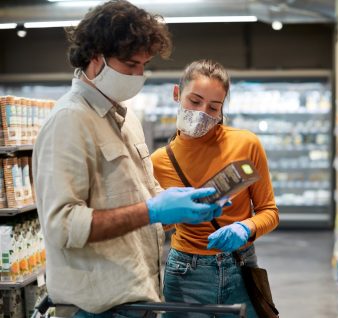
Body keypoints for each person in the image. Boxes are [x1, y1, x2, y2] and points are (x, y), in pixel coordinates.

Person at [32, 2, 224, 317]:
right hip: (97, 309)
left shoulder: (125, 117)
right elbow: (62, 226)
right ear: (94, 57)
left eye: (144, 65)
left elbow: (140, 197)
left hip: (139, 298)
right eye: (130, 64)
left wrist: (180, 208)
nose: (138, 75)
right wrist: (150, 211)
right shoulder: (69, 120)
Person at [151, 59, 280, 318]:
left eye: (213, 107)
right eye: (194, 101)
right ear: (177, 95)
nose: (202, 113)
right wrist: (171, 214)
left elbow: (269, 211)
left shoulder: (246, 145)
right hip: (186, 273)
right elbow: (158, 226)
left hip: (240, 266)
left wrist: (246, 228)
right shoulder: (159, 161)